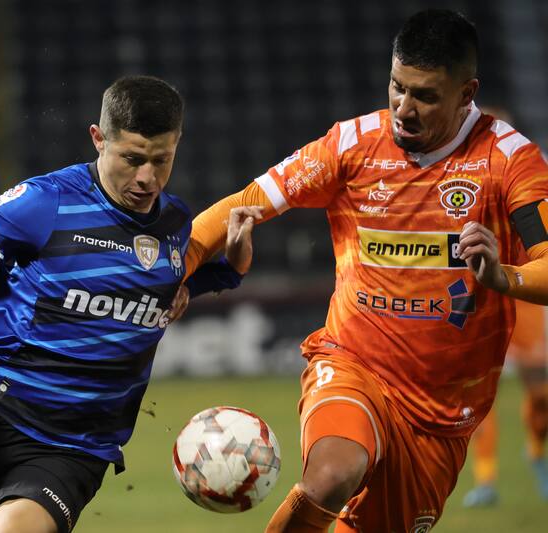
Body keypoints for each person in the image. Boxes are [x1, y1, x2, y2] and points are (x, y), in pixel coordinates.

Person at [185, 9, 548, 532]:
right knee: (334, 472)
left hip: (442, 414)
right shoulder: (352, 145)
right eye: (397, 87)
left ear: (467, 94)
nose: (404, 108)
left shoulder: (510, 160)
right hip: (355, 364)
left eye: (425, 96)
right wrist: (176, 272)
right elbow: (243, 203)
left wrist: (502, 277)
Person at [0, 75, 256, 533]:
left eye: (161, 160)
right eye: (131, 159)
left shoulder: (173, 223)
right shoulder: (46, 203)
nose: (147, 177)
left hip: (77, 446)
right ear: (98, 139)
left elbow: (171, 281)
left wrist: (231, 268)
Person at [461, 108, 548, 507]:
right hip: (476, 290)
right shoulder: (453, 174)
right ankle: (486, 479)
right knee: (478, 389)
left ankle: (535, 450)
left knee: (541, 387)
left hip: (522, 285)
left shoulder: (529, 168)